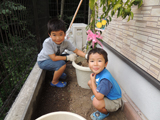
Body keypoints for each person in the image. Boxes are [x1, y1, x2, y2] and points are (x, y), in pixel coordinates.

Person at [37, 18, 87, 88]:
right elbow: (54, 58)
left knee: (68, 57)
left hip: (53, 60)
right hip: (43, 61)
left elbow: (77, 51)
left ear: (64, 34)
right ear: (50, 35)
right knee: (62, 64)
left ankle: (55, 72)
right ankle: (54, 82)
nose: (58, 38)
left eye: (60, 34)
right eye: (54, 35)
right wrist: (68, 57)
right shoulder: (47, 42)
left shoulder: (66, 42)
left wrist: (87, 56)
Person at [87, 48, 123, 120]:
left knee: (96, 101)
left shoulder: (105, 80)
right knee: (90, 83)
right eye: (92, 61)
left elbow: (99, 97)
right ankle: (99, 95)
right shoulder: (100, 71)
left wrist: (93, 82)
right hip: (108, 96)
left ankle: (104, 113)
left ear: (105, 64)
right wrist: (92, 82)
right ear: (88, 63)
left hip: (114, 101)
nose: (95, 64)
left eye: (99, 61)